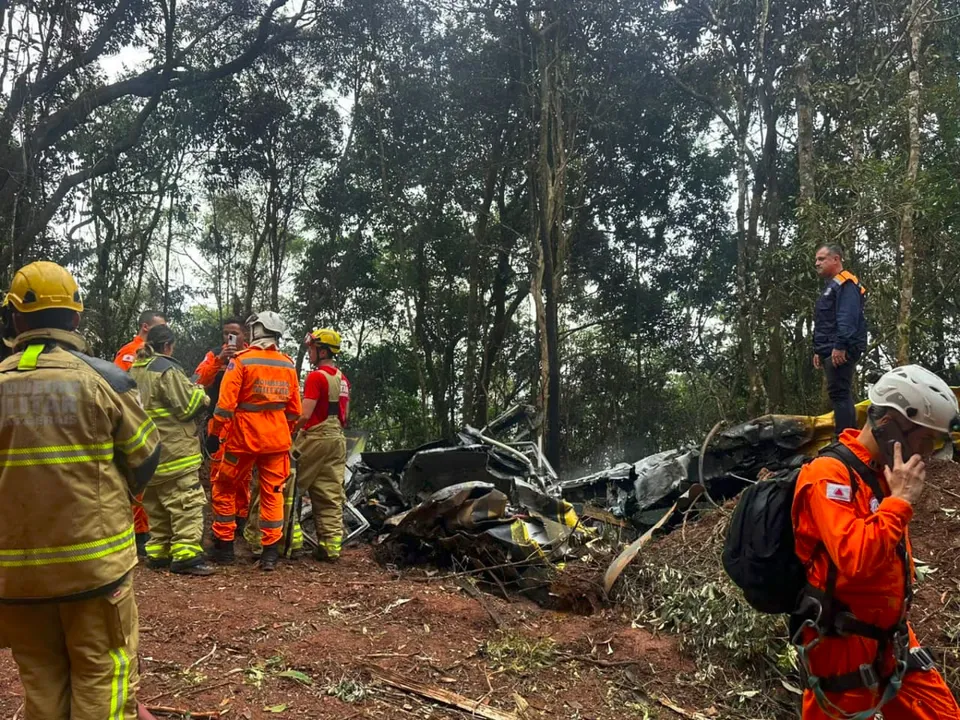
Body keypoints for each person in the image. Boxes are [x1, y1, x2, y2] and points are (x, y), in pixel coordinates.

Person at [0, 261, 161, 719]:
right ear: (75, 317)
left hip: (15, 578)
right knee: (101, 675)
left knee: (41, 680)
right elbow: (147, 456)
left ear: (14, 318)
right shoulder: (104, 380)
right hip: (93, 570)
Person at [791, 365, 960, 720]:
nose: (928, 452)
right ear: (890, 425)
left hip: (893, 638)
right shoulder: (828, 475)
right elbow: (855, 558)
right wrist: (899, 502)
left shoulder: (881, 472)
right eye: (925, 439)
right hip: (841, 643)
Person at [210, 311, 301, 571]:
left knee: (225, 487)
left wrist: (215, 434)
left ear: (257, 330)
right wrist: (284, 429)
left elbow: (225, 405)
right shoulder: (287, 364)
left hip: (242, 440)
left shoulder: (242, 361)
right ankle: (270, 554)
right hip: (276, 443)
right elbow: (294, 411)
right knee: (273, 494)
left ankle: (225, 548)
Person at [130, 325, 216, 576]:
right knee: (185, 503)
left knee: (156, 504)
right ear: (168, 346)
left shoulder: (136, 368)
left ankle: (158, 552)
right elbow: (187, 407)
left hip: (148, 451)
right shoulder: (165, 369)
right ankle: (186, 554)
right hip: (174, 451)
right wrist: (200, 393)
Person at [295, 328, 351, 561]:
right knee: (329, 494)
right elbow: (345, 415)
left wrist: (290, 429)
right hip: (337, 440)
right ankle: (330, 548)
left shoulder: (316, 377)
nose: (309, 352)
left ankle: (289, 541)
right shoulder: (343, 378)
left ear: (322, 350)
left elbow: (305, 414)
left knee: (288, 486)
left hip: (315, 438)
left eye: (312, 348)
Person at [192, 317, 252, 534]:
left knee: (243, 476)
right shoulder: (214, 354)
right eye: (226, 333)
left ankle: (241, 519)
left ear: (245, 334)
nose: (229, 338)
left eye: (234, 333)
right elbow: (196, 380)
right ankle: (222, 524)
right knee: (220, 475)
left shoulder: (252, 356)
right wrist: (218, 361)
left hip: (244, 424)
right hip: (218, 423)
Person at [115, 309, 167, 555]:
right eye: (159, 327)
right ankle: (139, 535)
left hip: (152, 425)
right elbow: (118, 386)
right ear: (146, 328)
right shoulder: (129, 353)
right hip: (134, 423)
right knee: (138, 481)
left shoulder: (157, 358)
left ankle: (149, 532)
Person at [813, 244, 867, 433]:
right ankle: (845, 437)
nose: (816, 263)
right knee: (837, 393)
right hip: (831, 347)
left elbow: (847, 316)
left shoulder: (846, 283)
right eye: (816, 259)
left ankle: (846, 440)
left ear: (836, 259)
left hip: (841, 347)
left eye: (821, 259)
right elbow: (826, 321)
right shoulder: (832, 286)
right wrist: (820, 351)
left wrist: (840, 345)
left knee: (840, 393)